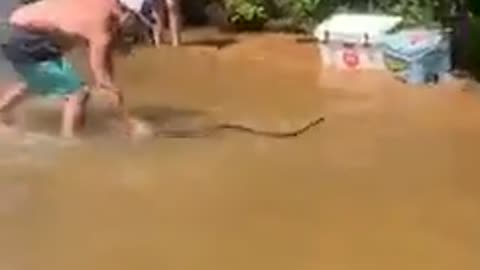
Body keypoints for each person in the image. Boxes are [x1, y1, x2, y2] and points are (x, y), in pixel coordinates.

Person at [0, 0, 147, 139]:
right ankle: (70, 141)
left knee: (38, 80)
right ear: (125, 13)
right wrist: (125, 118)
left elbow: (104, 61)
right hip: (28, 34)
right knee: (77, 93)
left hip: (10, 27)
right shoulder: (103, 27)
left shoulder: (102, 5)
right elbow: (101, 75)